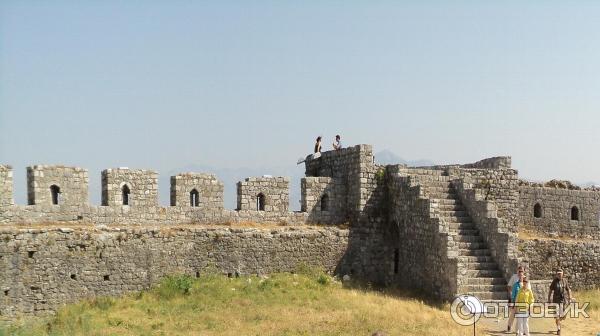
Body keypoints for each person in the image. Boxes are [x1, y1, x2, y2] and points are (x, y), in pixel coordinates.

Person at [548, 269, 571, 335]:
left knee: (563, 316)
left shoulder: (565, 281)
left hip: (563, 300)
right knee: (557, 316)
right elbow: (550, 290)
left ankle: (559, 321)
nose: (559, 275)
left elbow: (568, 289)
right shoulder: (554, 281)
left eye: (560, 273)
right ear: (556, 274)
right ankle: (559, 329)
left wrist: (570, 297)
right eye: (558, 274)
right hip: (556, 301)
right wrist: (549, 299)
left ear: (562, 274)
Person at [507, 265, 526, 332]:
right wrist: (511, 295)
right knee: (512, 315)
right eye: (519, 270)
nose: (520, 272)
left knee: (520, 316)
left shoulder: (525, 279)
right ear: (517, 270)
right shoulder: (514, 277)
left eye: (522, 271)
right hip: (514, 299)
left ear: (524, 271)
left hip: (522, 301)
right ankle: (509, 325)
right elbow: (509, 286)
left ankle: (518, 330)